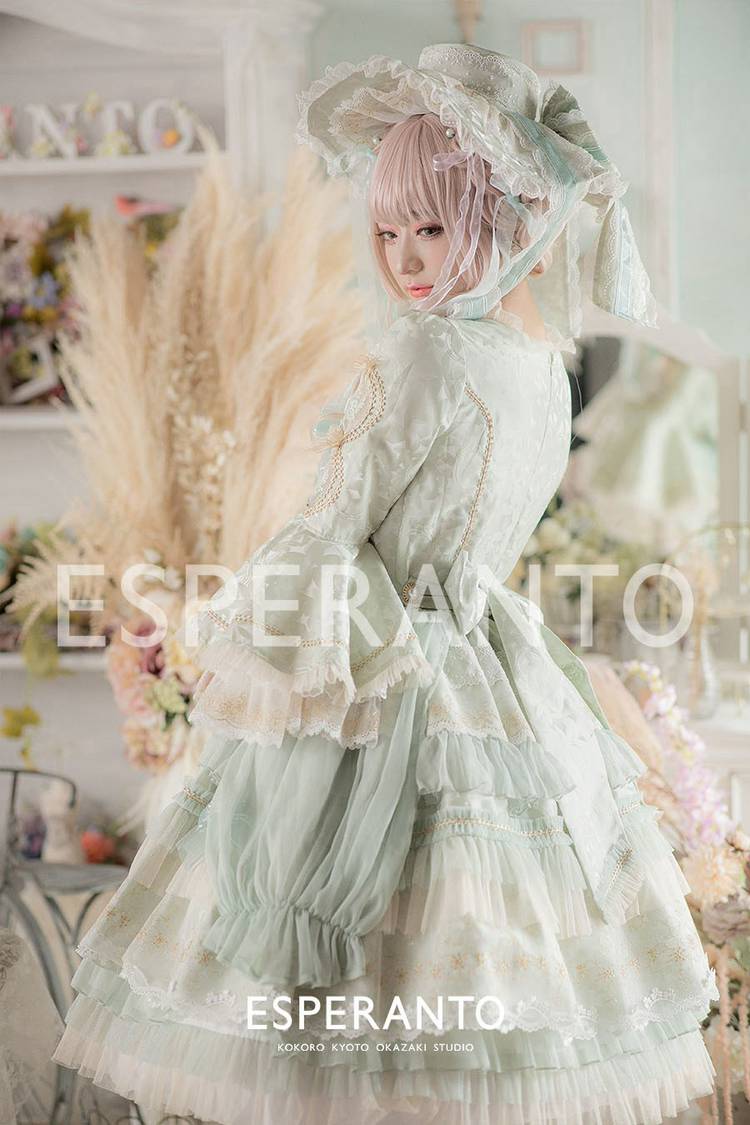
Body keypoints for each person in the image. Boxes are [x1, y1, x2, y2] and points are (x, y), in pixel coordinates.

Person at [51, 43, 718, 1124]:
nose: (405, 258)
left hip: (389, 656)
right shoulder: (543, 369)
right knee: (496, 929)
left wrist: (235, 620)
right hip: (495, 667)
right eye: (389, 230)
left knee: (327, 956)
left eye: (434, 228)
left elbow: (331, 524)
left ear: (501, 221)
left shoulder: (427, 354)